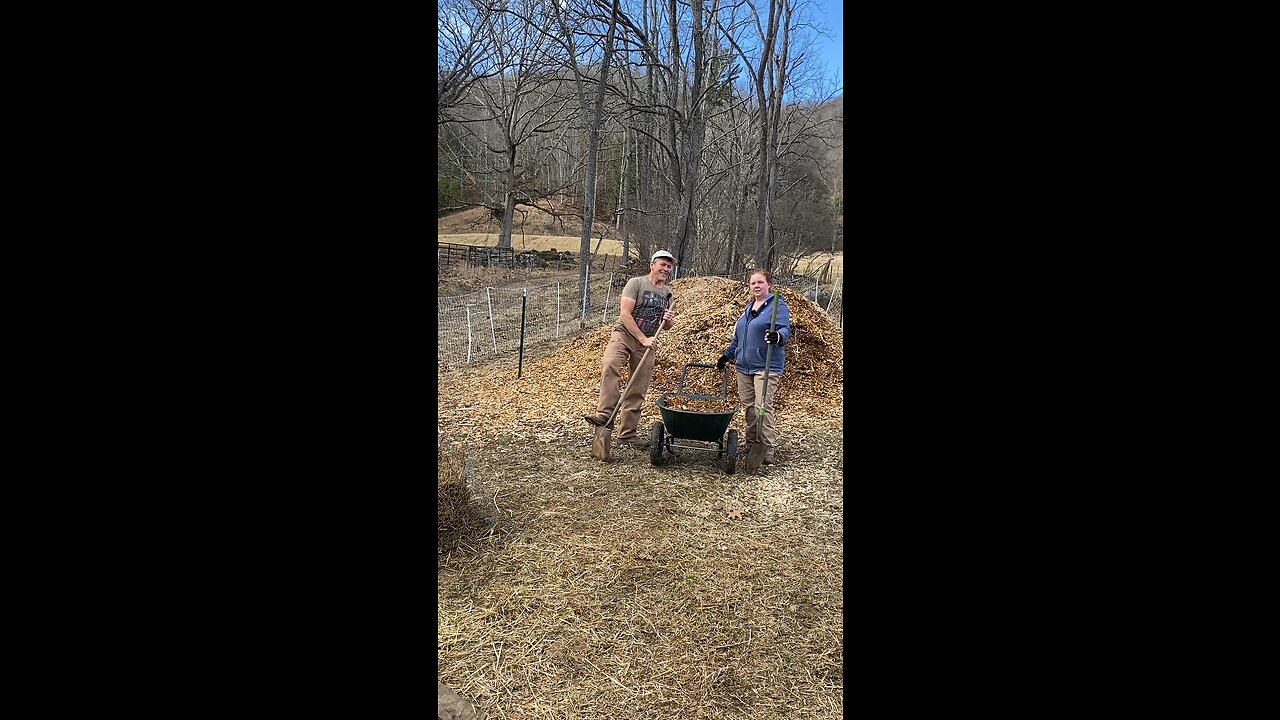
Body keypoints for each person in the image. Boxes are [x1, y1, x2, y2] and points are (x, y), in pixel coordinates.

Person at [583, 250, 677, 449]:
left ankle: (627, 434)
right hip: (624, 334)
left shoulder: (667, 293)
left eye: (669, 266)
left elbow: (666, 326)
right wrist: (642, 338)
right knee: (610, 364)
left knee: (638, 387)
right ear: (652, 264)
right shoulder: (636, 283)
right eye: (663, 264)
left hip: (648, 343)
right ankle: (604, 415)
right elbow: (625, 314)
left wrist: (668, 321)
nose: (666, 269)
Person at [716, 269, 792, 465]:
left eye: (760, 282)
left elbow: (785, 329)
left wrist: (778, 337)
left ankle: (767, 447)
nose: (756, 286)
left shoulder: (777, 305)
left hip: (766, 366)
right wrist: (727, 355)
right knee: (749, 407)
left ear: (769, 285)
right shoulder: (748, 308)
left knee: (762, 406)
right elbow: (738, 338)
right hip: (743, 366)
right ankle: (751, 443)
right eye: (753, 283)